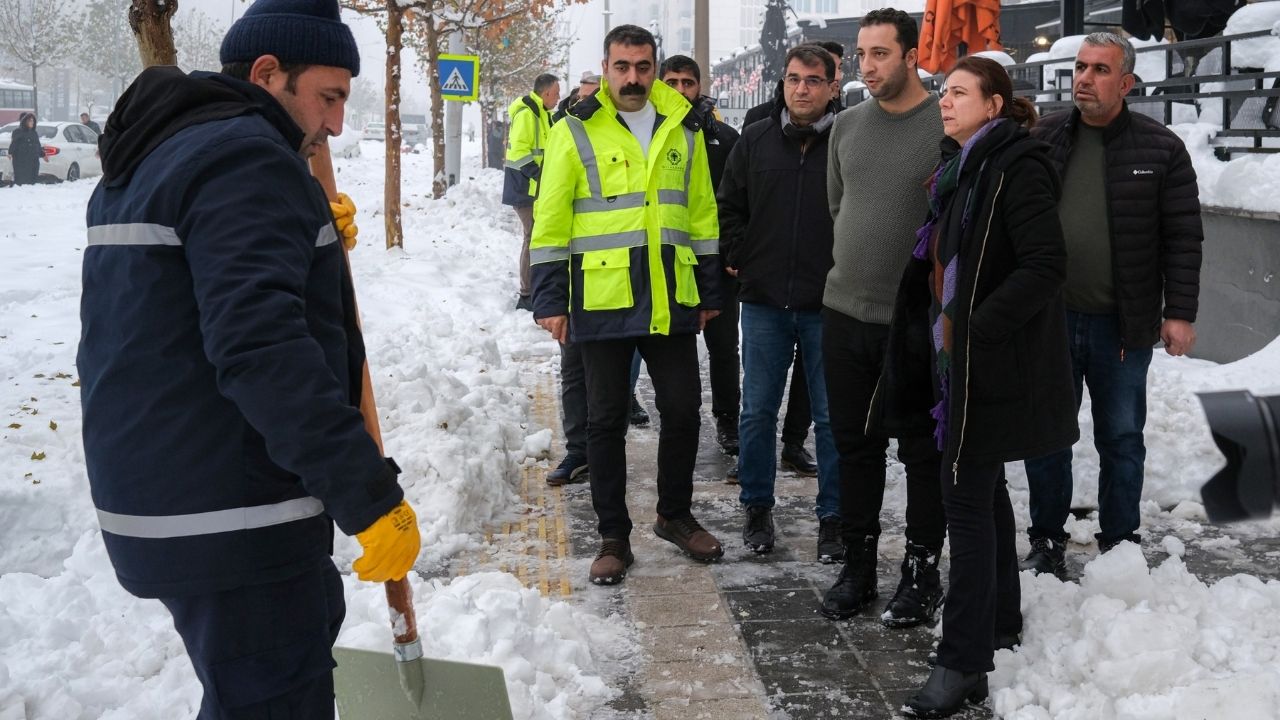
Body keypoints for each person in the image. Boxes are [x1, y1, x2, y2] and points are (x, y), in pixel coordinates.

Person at [78, 1, 421, 716]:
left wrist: (307, 235)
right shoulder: (244, 161)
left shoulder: (167, 148)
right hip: (234, 514)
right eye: (328, 98)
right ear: (268, 73)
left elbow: (193, 300)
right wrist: (369, 497)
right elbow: (260, 348)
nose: (334, 125)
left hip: (178, 497)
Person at [885, 56, 1077, 717]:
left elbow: (1046, 264)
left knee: (962, 501)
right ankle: (999, 622)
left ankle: (962, 661)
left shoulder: (1015, 168)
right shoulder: (961, 168)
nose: (945, 101)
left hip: (985, 363)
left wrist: (973, 327)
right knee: (982, 490)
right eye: (944, 90)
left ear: (994, 105)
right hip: (957, 363)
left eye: (960, 92)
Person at [530, 24, 724, 585]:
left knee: (685, 410)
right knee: (604, 421)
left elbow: (703, 214)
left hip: (670, 295)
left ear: (654, 68)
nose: (633, 78)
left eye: (642, 67)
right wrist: (550, 299)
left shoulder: (683, 127)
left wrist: (709, 290)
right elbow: (551, 221)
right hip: (602, 295)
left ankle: (674, 515)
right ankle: (613, 535)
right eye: (622, 67)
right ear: (606, 66)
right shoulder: (574, 129)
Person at [1021, 32, 1203, 577]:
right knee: (1047, 434)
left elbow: (1183, 236)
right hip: (1050, 321)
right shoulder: (1045, 138)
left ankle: (1121, 542)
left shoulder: (1160, 147)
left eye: (1100, 70)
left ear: (1126, 82)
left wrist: (1180, 312)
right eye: (1079, 67)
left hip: (1122, 325)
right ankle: (1046, 540)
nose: (1084, 78)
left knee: (1121, 436)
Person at [818, 9, 948, 630]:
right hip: (844, 314)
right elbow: (838, 206)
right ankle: (859, 567)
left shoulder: (944, 125)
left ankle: (922, 573)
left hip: (915, 324)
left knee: (922, 452)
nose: (866, 67)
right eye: (861, 55)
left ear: (911, 55)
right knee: (854, 446)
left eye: (880, 54)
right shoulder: (845, 127)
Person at [717, 44, 843, 562]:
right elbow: (728, 205)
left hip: (829, 303)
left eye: (814, 80)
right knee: (757, 412)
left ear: (833, 86)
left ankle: (833, 519)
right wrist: (739, 253)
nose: (802, 89)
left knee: (834, 419)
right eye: (794, 79)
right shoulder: (756, 140)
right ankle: (756, 507)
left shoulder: (848, 141)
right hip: (765, 301)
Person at [659, 54, 743, 462]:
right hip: (665, 265)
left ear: (699, 86)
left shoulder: (724, 140)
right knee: (664, 351)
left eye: (687, 83)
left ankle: (728, 419)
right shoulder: (647, 139)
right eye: (671, 82)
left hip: (716, 264)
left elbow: (737, 204)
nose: (679, 91)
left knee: (724, 349)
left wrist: (732, 252)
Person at [503, 73, 560, 311]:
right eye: (556, 94)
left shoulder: (542, 115)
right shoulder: (528, 114)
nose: (558, 98)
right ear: (545, 93)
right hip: (525, 188)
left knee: (536, 236)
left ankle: (533, 290)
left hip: (534, 188)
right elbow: (519, 152)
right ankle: (526, 295)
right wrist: (540, 175)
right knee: (533, 237)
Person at [8, 113, 43, 185]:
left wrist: (43, 154)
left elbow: (38, 145)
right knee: (22, 182)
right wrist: (10, 153)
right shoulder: (18, 132)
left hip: (34, 161)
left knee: (32, 182)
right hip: (21, 161)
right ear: (25, 121)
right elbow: (14, 143)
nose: (32, 122)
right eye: (30, 121)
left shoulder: (34, 133)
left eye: (33, 121)